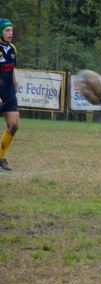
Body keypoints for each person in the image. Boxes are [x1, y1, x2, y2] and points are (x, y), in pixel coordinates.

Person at [0, 18, 18, 171]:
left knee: (14, 125)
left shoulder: (12, 49)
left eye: (11, 30)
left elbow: (11, 68)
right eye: (7, 30)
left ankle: (0, 156)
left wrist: (14, 82)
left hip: (9, 93)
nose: (10, 33)